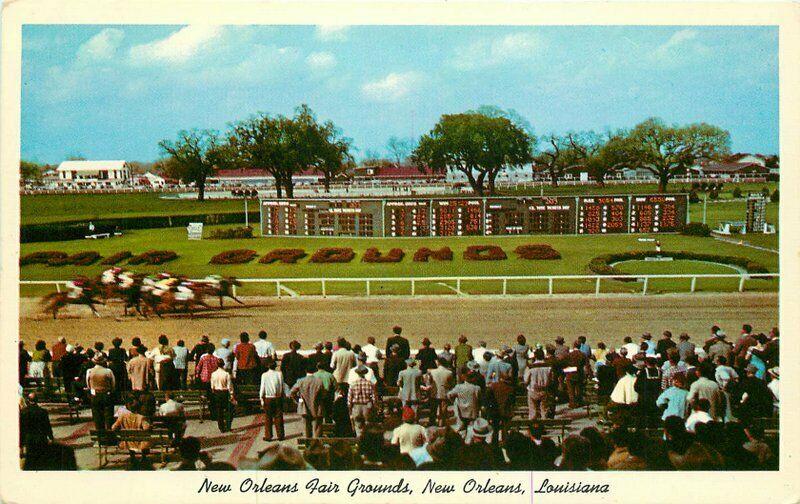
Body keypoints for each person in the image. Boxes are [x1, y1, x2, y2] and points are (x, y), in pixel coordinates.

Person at [111, 400, 152, 468]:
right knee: (146, 437)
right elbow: (146, 428)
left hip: (126, 442)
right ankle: (144, 457)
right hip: (139, 442)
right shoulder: (141, 417)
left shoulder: (122, 416)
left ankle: (132, 457)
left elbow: (113, 427)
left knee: (130, 438)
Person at [292, 362, 326, 438]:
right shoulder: (319, 381)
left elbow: (292, 392)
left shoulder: (300, 381)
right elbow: (323, 394)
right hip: (316, 407)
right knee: (316, 429)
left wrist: (298, 400)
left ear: (305, 371)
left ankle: (307, 445)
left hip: (304, 407)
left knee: (305, 429)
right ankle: (316, 446)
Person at [86, 354, 116, 431]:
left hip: (95, 394)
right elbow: (113, 384)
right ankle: (109, 433)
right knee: (109, 416)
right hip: (106, 394)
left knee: (97, 416)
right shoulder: (108, 371)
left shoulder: (89, 371)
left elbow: (88, 385)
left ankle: (100, 433)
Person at [259, 358, 285, 441]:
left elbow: (262, 387)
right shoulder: (279, 374)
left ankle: (268, 436)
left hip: (268, 397)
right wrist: (280, 394)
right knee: (279, 417)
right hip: (277, 397)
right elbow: (281, 385)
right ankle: (280, 435)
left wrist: (261, 398)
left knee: (268, 418)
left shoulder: (264, 375)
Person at [348, 366, 377, 437]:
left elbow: (349, 400)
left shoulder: (353, 384)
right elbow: (374, 398)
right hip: (367, 406)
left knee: (358, 426)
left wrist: (350, 410)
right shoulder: (370, 383)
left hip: (356, 406)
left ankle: (359, 440)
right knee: (367, 425)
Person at [486, 374, 515, 444]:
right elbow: (512, 401)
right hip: (506, 410)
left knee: (495, 429)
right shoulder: (511, 389)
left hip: (495, 410)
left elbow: (488, 398)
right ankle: (505, 442)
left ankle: (494, 443)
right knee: (505, 429)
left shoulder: (493, 386)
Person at [209, 359, 236, 433]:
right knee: (228, 410)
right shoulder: (226, 374)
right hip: (225, 393)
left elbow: (212, 386)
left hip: (217, 392)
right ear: (223, 365)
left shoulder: (213, 374)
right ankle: (228, 425)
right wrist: (231, 395)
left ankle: (221, 427)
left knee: (219, 411)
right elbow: (229, 386)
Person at [524, 349, 551, 420]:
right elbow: (551, 379)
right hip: (544, 391)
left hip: (533, 390)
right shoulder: (548, 367)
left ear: (535, 356)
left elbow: (526, 380)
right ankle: (543, 424)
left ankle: (532, 427)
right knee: (544, 410)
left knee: (532, 411)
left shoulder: (530, 367)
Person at [427, 358, 454, 426]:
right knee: (443, 409)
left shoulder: (432, 372)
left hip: (434, 392)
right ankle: (441, 422)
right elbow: (451, 384)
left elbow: (429, 382)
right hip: (444, 392)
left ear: (438, 363)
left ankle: (432, 421)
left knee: (433, 408)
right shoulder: (449, 372)